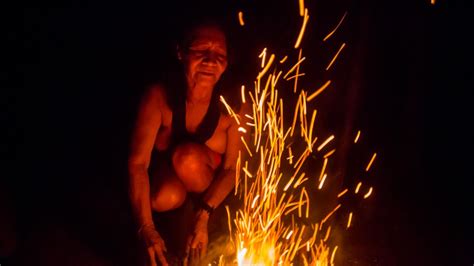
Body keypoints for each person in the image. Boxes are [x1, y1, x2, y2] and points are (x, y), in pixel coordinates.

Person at [127, 19, 247, 266]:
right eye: (201, 51)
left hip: (213, 197)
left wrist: (204, 215)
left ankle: (206, 229)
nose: (210, 61)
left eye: (219, 55)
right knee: (161, 196)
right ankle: (177, 232)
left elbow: (233, 169)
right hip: (175, 186)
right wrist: (146, 229)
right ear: (181, 53)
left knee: (187, 158)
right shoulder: (160, 97)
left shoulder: (234, 105)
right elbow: (138, 163)